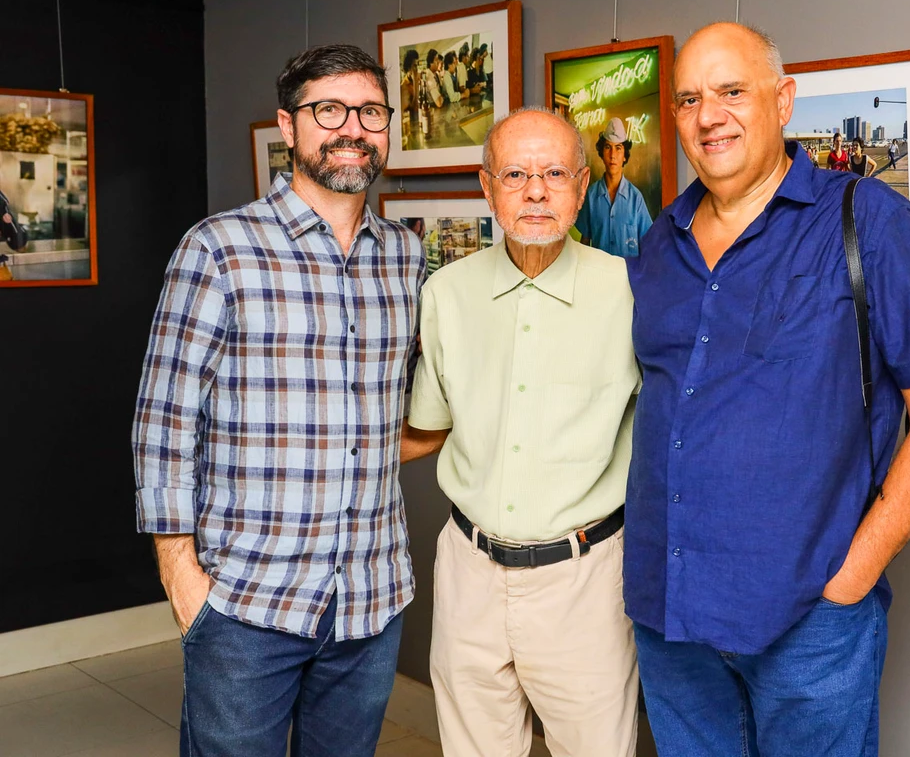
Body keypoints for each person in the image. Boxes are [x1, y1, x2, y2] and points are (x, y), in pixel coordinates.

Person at [625, 22, 910, 757]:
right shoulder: (659, 242)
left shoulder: (868, 220)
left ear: (782, 100)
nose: (708, 115)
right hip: (670, 615)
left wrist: (852, 578)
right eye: (690, 98)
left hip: (807, 623)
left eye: (732, 91)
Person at [132, 44, 422, 757]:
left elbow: (416, 403)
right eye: (329, 110)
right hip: (245, 604)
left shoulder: (406, 257)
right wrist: (182, 579)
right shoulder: (218, 250)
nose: (353, 127)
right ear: (288, 128)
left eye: (371, 112)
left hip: (370, 601)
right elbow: (164, 419)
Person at [402, 107, 641, 756]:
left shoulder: (631, 293)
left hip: (584, 580)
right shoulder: (446, 292)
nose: (536, 191)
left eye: (554, 173)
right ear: (487, 187)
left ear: (582, 187)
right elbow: (425, 429)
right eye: (515, 173)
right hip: (467, 574)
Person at [575, 117, 655, 257]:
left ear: (625, 155)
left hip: (628, 275)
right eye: (608, 147)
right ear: (601, 153)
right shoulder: (591, 196)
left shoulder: (636, 199)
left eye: (618, 148)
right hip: (599, 274)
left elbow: (648, 244)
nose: (613, 155)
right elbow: (585, 242)